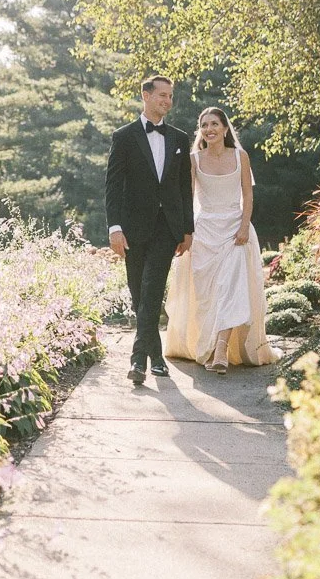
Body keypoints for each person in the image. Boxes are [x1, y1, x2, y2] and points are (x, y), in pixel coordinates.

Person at [165, 106, 274, 373]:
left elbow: (247, 195)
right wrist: (185, 232)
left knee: (232, 287)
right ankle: (210, 346)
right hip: (204, 232)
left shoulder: (241, 156)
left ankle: (223, 347)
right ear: (200, 131)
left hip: (235, 230)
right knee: (208, 295)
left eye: (215, 124)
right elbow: (187, 198)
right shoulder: (194, 159)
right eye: (204, 125)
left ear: (225, 128)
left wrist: (244, 227)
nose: (209, 129)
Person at [106, 75, 194, 385]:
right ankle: (155, 357)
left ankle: (136, 360)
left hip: (167, 228)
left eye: (171, 96)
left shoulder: (180, 138)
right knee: (138, 292)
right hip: (132, 228)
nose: (168, 101)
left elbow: (185, 187)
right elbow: (113, 186)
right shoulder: (124, 136)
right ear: (145, 95)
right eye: (162, 95)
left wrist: (187, 229)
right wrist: (114, 227)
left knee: (153, 286)